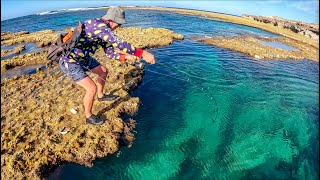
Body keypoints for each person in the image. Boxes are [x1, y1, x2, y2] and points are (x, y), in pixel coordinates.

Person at [59, 7, 156, 125]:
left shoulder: (103, 30)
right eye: (119, 24)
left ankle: (101, 96)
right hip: (70, 61)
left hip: (83, 58)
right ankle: (89, 117)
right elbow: (119, 43)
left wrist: (126, 57)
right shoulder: (98, 26)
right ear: (112, 20)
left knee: (103, 71)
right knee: (91, 88)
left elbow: (109, 51)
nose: (119, 26)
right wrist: (143, 53)